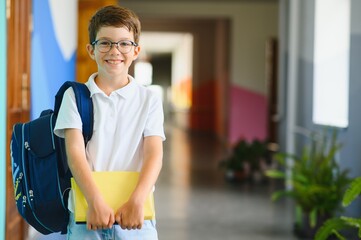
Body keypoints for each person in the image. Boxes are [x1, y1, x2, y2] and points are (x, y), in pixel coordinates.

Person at [54, 5, 165, 240]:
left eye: (124, 43)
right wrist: (95, 200)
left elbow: (154, 153)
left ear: (136, 51)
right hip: (88, 214)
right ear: (91, 50)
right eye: (105, 42)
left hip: (137, 215)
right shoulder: (75, 96)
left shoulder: (149, 99)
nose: (115, 51)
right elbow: (75, 154)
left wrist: (138, 199)